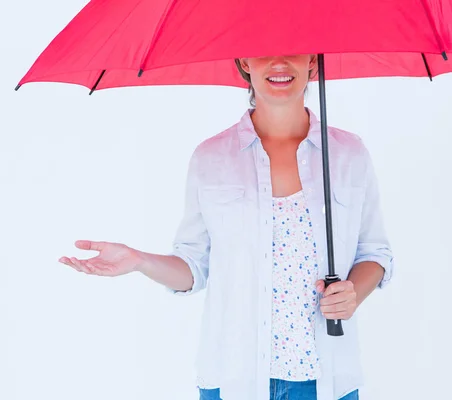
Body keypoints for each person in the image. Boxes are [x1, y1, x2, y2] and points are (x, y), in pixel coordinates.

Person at [58, 54, 394, 400]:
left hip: (327, 382)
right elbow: (193, 267)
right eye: (264, 49)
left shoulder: (349, 153)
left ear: (312, 61)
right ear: (245, 61)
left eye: (293, 48)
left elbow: (375, 253)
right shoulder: (211, 158)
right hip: (234, 380)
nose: (278, 63)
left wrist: (353, 291)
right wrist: (139, 260)